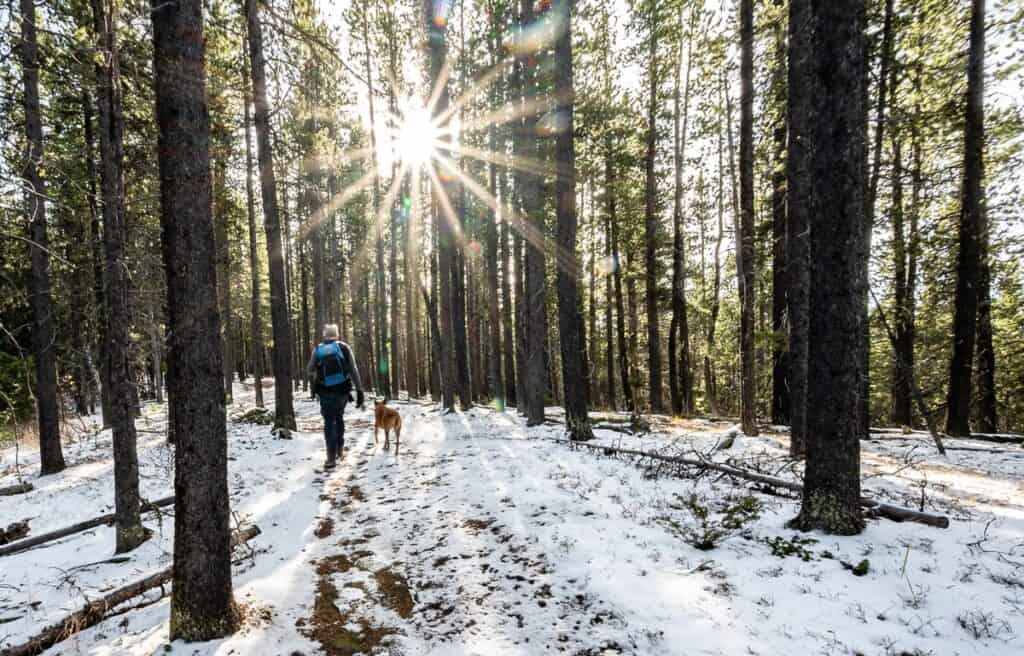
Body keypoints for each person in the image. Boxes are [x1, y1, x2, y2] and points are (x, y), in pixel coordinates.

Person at [307, 323, 364, 469]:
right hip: (342, 390)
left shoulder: (318, 349)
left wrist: (315, 382)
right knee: (339, 418)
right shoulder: (344, 347)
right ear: (337, 335)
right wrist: (359, 390)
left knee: (328, 422)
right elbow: (353, 369)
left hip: (325, 391)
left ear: (325, 335)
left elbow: (309, 369)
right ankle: (340, 449)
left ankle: (330, 458)